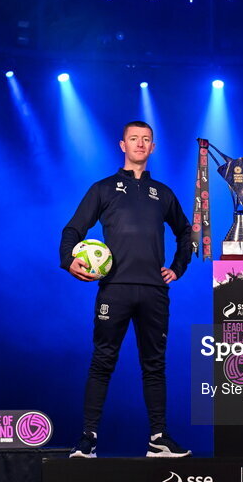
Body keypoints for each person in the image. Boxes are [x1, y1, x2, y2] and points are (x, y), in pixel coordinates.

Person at [59, 121, 193, 458]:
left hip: (153, 292)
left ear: (153, 147)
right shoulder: (103, 188)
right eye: (134, 139)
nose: (140, 144)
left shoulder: (162, 193)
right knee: (102, 361)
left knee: (154, 365)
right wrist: (68, 260)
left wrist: (177, 268)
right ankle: (87, 440)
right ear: (122, 145)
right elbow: (74, 228)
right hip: (114, 290)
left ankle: (158, 439)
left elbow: (186, 233)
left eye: (146, 140)